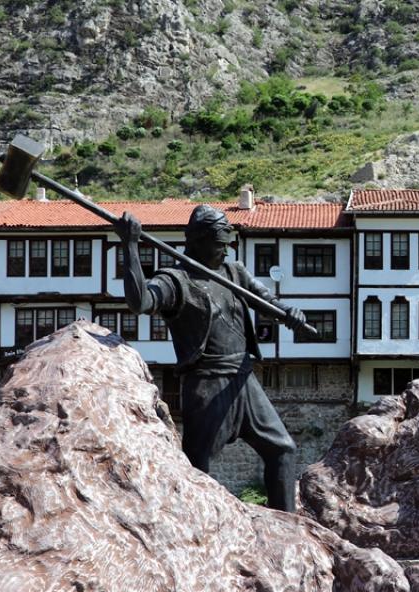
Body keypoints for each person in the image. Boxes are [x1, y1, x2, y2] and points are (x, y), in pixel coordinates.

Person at [119, 205, 307, 511]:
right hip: (206, 383)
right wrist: (129, 245)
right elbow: (140, 302)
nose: (226, 250)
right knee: (196, 467)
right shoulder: (175, 280)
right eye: (220, 244)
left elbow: (266, 301)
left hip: (243, 379)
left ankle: (286, 527)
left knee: (283, 450)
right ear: (198, 241)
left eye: (228, 243)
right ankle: (193, 526)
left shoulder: (235, 272)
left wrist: (289, 312)